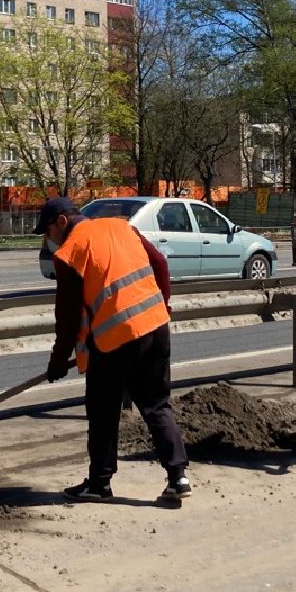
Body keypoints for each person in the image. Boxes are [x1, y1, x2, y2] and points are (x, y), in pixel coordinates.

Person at [37, 196, 192, 503]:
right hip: (155, 325)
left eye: (48, 231)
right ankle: (178, 477)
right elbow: (160, 263)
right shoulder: (122, 227)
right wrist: (163, 304)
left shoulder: (69, 253)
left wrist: (58, 361)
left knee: (102, 410)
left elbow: (67, 317)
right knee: (157, 404)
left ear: (62, 222)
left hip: (114, 340)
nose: (49, 239)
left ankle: (99, 484)